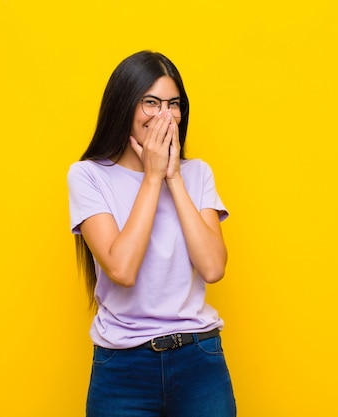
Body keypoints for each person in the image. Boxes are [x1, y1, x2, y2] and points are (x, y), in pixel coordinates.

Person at [67, 50, 236, 417]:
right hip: (123, 370)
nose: (165, 115)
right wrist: (152, 175)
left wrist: (173, 177)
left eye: (173, 104)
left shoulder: (197, 174)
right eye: (151, 102)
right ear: (124, 106)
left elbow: (212, 268)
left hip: (199, 361)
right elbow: (122, 269)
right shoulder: (88, 176)